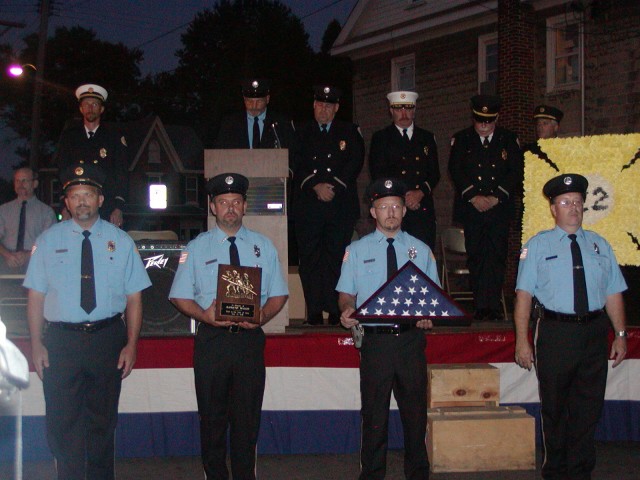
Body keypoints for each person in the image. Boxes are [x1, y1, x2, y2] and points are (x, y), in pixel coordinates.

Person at [24, 162, 151, 480]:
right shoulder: (48, 241)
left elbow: (135, 297)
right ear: (66, 202)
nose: (82, 201)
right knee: (62, 422)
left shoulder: (121, 241)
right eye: (75, 196)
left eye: (88, 195)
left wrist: (131, 345)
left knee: (102, 422)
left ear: (100, 200)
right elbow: (35, 297)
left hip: (106, 339)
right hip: (61, 342)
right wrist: (36, 343)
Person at [169, 173, 288, 480]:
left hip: (249, 342)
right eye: (223, 202)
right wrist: (205, 316)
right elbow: (179, 296)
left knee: (247, 421)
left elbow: (279, 294)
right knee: (212, 419)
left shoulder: (264, 246)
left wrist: (262, 316)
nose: (230, 208)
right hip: (212, 341)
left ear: (245, 206)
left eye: (236, 202)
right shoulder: (195, 248)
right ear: (212, 207)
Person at [514, 173, 628, 480]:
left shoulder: (600, 245)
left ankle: (580, 473)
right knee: (555, 409)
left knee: (588, 411)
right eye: (565, 202)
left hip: (593, 332)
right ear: (553, 208)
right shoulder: (537, 245)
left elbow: (613, 292)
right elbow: (523, 295)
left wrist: (620, 334)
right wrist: (521, 341)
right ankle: (556, 472)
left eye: (577, 202)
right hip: (555, 333)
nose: (573, 208)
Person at [337, 178, 438, 480]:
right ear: (373, 212)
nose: (391, 212)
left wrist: (428, 314)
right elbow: (346, 292)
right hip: (376, 343)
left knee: (415, 417)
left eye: (396, 206)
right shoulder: (355, 250)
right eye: (384, 207)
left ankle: (418, 474)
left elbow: (432, 297)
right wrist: (345, 309)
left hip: (410, 341)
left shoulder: (421, 250)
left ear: (405, 211)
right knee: (375, 418)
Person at [293, 85, 364, 325]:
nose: (324, 110)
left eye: (329, 106)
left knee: (336, 258)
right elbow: (294, 161)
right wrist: (315, 185)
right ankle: (313, 311)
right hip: (309, 205)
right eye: (320, 105)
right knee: (310, 259)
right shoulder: (300, 131)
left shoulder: (349, 131)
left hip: (339, 204)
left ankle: (336, 310)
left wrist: (332, 185)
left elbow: (355, 160)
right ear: (314, 105)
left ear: (336, 108)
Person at [448, 94, 523, 321]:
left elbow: (515, 171)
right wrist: (473, 196)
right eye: (480, 120)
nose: (483, 125)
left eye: (488, 121)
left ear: (496, 118)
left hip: (498, 209)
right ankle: (480, 305)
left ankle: (494, 304)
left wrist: (496, 197)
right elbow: (456, 170)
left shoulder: (508, 139)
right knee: (477, 257)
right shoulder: (462, 139)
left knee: (497, 256)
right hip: (472, 210)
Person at [369, 91, 440, 250]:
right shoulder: (381, 138)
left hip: (421, 208)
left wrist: (419, 192)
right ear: (391, 111)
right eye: (399, 110)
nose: (404, 114)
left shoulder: (427, 138)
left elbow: (434, 173)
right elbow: (377, 174)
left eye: (408, 109)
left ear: (414, 110)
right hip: (393, 209)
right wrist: (403, 197)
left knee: (421, 258)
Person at [54, 84, 129, 226]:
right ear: (81, 109)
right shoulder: (70, 137)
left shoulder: (113, 138)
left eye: (94, 104)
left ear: (101, 109)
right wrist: (63, 206)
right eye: (86, 104)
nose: (90, 108)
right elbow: (62, 173)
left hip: (106, 206)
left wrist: (119, 207)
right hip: (76, 205)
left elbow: (122, 173)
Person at [215, 78, 296, 151]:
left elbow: (292, 153)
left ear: (267, 99)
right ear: (244, 99)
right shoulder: (230, 124)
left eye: (259, 102)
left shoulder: (281, 123)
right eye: (250, 102)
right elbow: (220, 152)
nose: (254, 106)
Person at [0, 166, 56, 270]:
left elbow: (49, 243)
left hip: (35, 262)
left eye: (24, 180)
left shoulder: (46, 212)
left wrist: (28, 255)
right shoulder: (3, 210)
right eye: (17, 181)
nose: (20, 185)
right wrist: (7, 255)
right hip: (5, 262)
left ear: (35, 184)